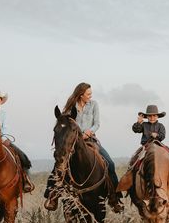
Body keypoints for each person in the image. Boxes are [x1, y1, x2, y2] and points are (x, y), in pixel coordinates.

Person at [43, 82, 124, 213]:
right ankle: (52, 195)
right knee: (59, 163)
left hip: (90, 139)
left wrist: (89, 132)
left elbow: (97, 123)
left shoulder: (94, 105)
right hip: (73, 142)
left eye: (90, 94)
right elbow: (65, 124)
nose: (90, 96)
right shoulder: (70, 108)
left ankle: (115, 198)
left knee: (109, 162)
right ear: (81, 95)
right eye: (88, 94)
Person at [129, 105, 169, 179]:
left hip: (159, 145)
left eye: (154, 116)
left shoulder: (161, 126)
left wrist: (156, 135)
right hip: (146, 146)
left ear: (157, 116)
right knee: (135, 160)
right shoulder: (143, 125)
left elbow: (162, 136)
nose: (152, 118)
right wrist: (138, 123)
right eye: (150, 116)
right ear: (147, 117)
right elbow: (136, 130)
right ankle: (131, 180)